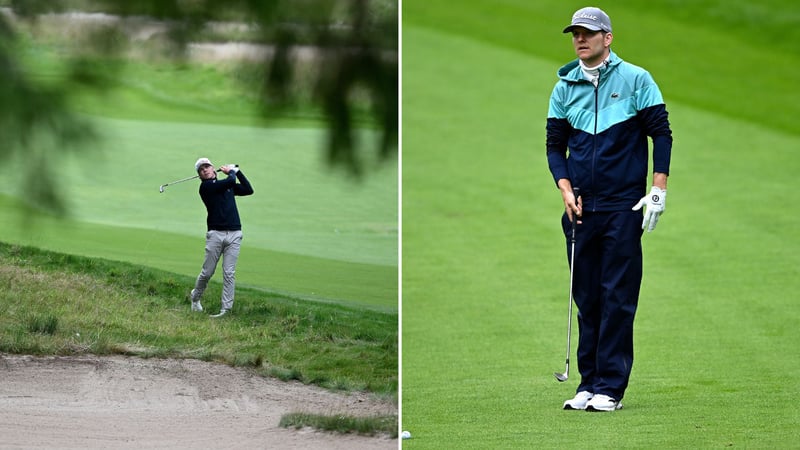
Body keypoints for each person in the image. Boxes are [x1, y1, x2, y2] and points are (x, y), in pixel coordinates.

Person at [545, 7, 673, 411]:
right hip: (579, 207)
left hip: (622, 205)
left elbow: (661, 135)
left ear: (608, 38)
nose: (580, 39)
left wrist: (658, 190)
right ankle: (587, 384)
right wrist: (564, 188)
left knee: (616, 295)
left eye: (588, 33)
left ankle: (611, 389)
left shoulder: (637, 79)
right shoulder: (564, 85)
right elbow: (554, 146)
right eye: (575, 34)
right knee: (587, 296)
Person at [189, 157, 254, 318]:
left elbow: (248, 189)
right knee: (207, 272)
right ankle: (195, 297)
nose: (204, 170)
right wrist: (232, 172)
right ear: (200, 176)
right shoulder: (205, 188)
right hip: (215, 234)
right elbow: (228, 181)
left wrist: (239, 173)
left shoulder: (227, 186)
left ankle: (226, 309)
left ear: (213, 169)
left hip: (234, 233)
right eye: (201, 169)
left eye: (207, 167)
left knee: (229, 272)